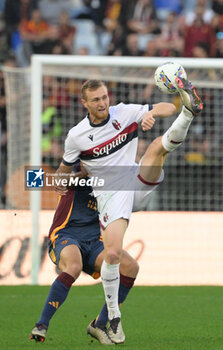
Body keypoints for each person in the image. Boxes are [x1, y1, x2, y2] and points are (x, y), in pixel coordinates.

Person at [55, 77, 203, 343]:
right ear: (84, 103)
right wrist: (75, 178)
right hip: (111, 194)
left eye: (104, 97)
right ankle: (112, 319)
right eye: (96, 99)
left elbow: (165, 107)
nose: (102, 103)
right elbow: (61, 176)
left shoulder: (123, 112)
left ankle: (189, 113)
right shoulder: (76, 136)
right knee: (112, 253)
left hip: (133, 181)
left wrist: (149, 114)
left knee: (158, 146)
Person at [29, 163, 139, 345]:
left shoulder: (113, 176)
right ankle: (41, 324)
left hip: (95, 241)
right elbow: (55, 179)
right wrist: (82, 174)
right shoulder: (77, 164)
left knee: (130, 267)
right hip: (66, 234)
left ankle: (100, 324)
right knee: (74, 266)